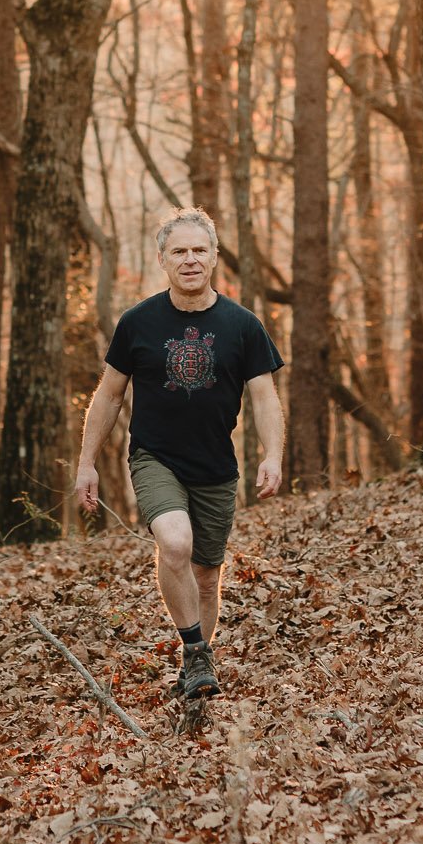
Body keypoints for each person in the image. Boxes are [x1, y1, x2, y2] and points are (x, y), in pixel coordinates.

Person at [74, 206, 285, 700]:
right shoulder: (138, 323)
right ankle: (194, 650)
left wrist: (272, 454)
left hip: (216, 466)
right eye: (179, 252)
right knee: (174, 543)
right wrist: (87, 462)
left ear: (213, 257)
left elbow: (264, 397)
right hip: (155, 457)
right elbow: (108, 395)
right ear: (163, 260)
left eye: (199, 250)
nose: (190, 259)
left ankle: (198, 669)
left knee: (207, 576)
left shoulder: (243, 326)